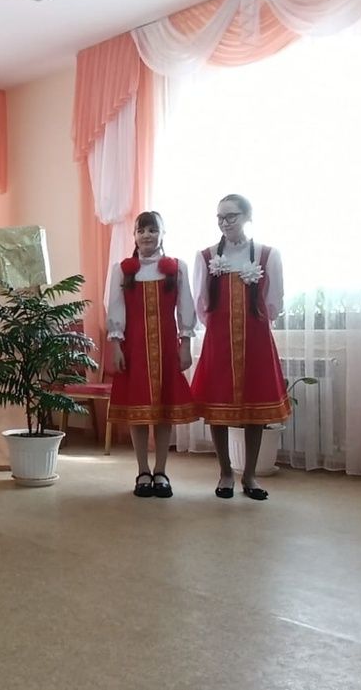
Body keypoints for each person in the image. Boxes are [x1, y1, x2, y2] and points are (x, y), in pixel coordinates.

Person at [190, 194, 290, 501]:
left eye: (231, 216)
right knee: (217, 408)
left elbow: (273, 304)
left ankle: (249, 475)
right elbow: (201, 303)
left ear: (247, 217)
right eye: (220, 217)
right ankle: (225, 472)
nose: (224, 223)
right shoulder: (206, 256)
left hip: (256, 340)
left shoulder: (267, 255)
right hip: (219, 340)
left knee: (255, 409)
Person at [106, 211, 198, 498]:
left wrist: (185, 344)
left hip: (167, 346)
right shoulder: (123, 270)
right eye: (141, 230)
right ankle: (142, 471)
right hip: (134, 347)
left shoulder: (176, 268)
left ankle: (161, 471)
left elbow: (186, 308)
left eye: (152, 230)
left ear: (162, 234)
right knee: (138, 410)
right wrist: (116, 345)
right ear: (134, 235)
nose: (146, 235)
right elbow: (116, 308)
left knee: (163, 410)